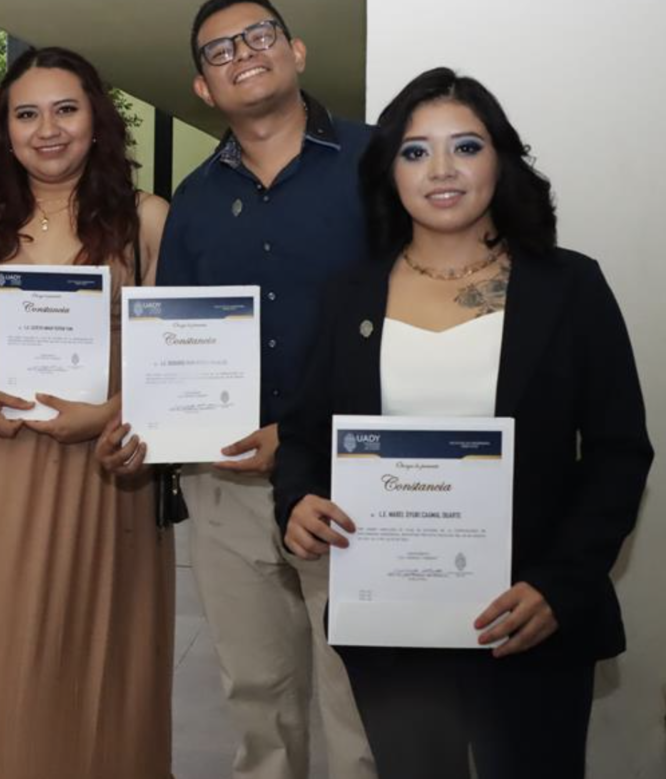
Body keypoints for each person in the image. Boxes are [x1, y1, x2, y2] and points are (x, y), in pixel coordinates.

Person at [273, 67, 654, 779]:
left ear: (500, 161)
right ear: (389, 170)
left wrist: (559, 585)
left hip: (525, 618)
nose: (441, 170)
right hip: (390, 619)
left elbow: (618, 454)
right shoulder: (347, 295)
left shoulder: (569, 287)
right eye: (415, 151)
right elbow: (301, 435)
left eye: (466, 147)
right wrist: (296, 502)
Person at [98, 0, 375, 779]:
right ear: (203, 89)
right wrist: (147, 429)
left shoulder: (379, 165)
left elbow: (406, 317)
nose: (242, 53)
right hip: (226, 482)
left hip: (342, 477)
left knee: (356, 696)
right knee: (256, 694)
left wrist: (297, 437)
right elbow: (170, 341)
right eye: (219, 50)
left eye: (258, 36)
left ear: (295, 51)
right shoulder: (194, 199)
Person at [0, 46, 174, 779]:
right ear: (6, 129)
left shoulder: (148, 222)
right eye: (27, 113)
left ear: (98, 121)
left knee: (91, 646)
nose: (46, 129)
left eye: (66, 109)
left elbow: (178, 355)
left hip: (104, 471)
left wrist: (112, 414)